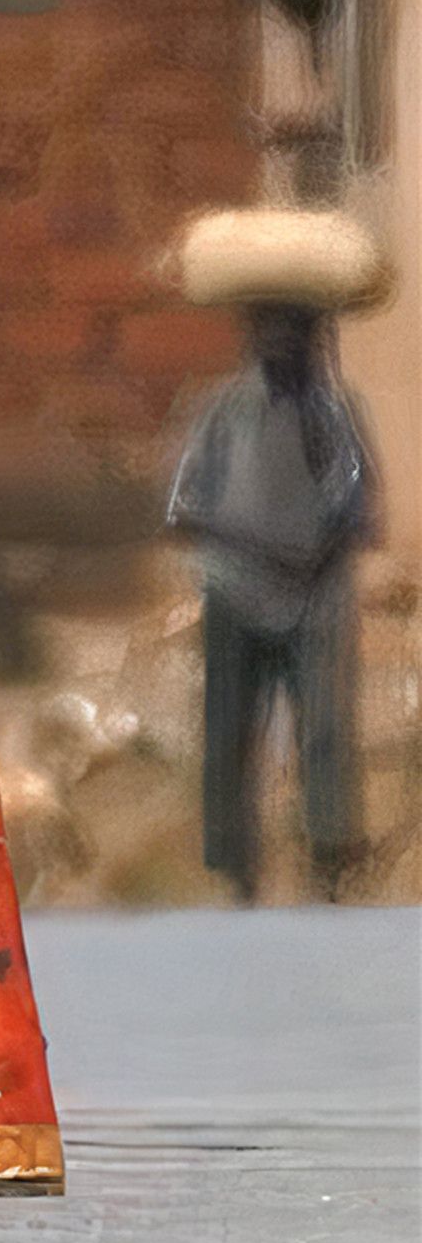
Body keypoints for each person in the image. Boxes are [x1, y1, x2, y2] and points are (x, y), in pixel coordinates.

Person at [168, 301, 375, 902]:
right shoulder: (221, 410)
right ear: (253, 336)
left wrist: (313, 547)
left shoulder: (334, 413)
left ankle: (330, 863)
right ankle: (235, 869)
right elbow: (183, 505)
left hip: (316, 599)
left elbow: (359, 507)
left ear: (316, 338)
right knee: (228, 727)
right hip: (234, 590)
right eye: (273, 330)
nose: (286, 344)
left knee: (326, 731)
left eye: (301, 331)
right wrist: (256, 540)